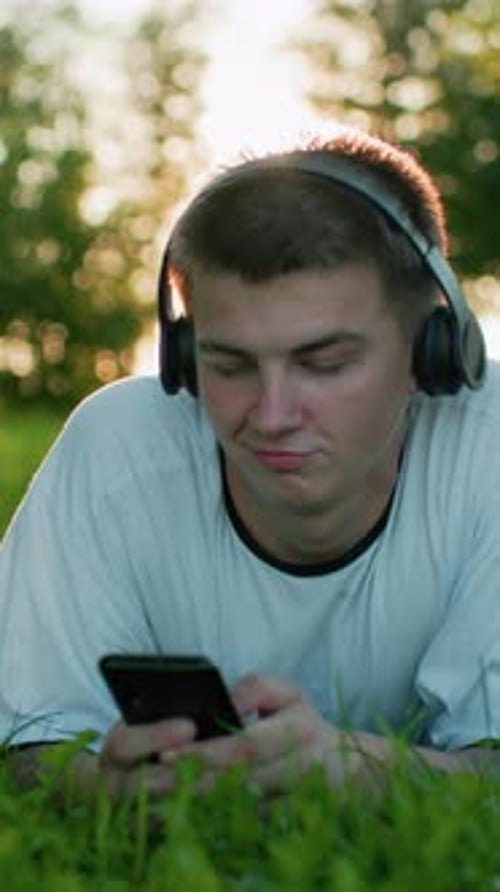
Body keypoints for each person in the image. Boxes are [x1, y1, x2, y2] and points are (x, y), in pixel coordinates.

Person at [1, 126, 499, 802]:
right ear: (180, 356)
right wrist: (108, 791)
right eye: (228, 363)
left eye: (324, 363)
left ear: (436, 353)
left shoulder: (487, 448)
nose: (271, 415)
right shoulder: (117, 449)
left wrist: (354, 772)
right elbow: (28, 748)